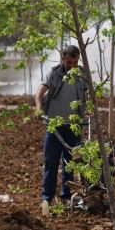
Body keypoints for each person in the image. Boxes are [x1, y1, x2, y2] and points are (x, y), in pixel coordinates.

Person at [34, 45, 86, 216]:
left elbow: (90, 94)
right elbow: (40, 93)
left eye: (75, 62)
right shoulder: (54, 73)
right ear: (62, 59)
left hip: (74, 124)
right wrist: (39, 108)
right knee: (51, 162)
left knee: (70, 162)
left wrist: (90, 109)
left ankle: (67, 195)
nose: (72, 65)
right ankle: (47, 197)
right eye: (69, 62)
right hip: (54, 124)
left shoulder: (82, 74)